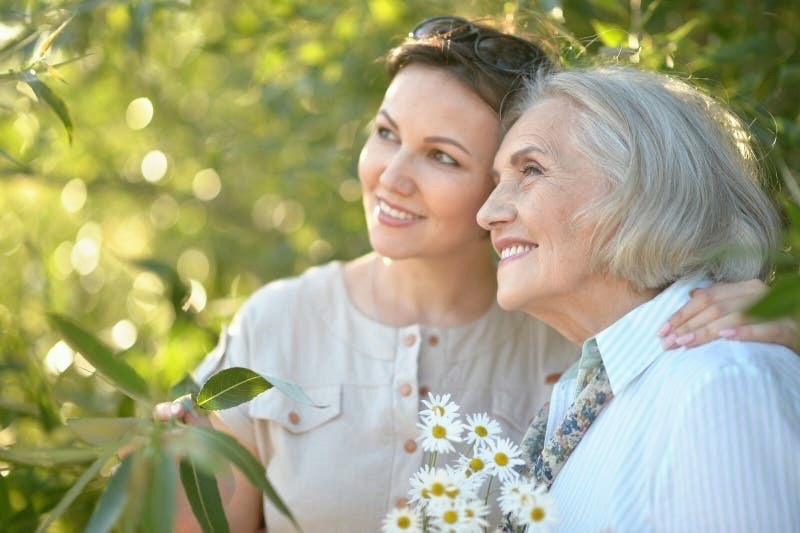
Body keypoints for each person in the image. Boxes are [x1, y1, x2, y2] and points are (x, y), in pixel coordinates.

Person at [157, 17, 796, 532]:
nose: (392, 175)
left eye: (443, 156)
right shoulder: (278, 320)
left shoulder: (607, 350)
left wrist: (783, 323)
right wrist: (161, 470)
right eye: (385, 133)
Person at [478, 65, 800, 530]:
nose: (486, 213)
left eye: (531, 170)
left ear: (644, 186)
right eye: (496, 181)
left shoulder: (721, 383)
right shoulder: (586, 391)